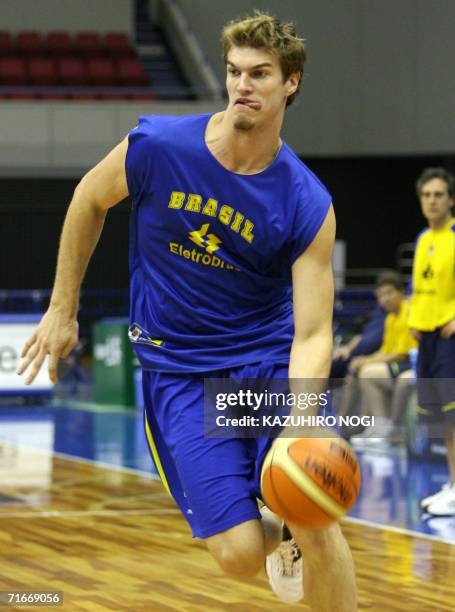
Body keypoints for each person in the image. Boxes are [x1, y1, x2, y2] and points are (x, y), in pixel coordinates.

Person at [18, 12, 357, 610]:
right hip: (178, 373)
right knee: (239, 558)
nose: (242, 85)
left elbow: (312, 332)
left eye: (260, 74)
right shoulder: (159, 147)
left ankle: (299, 529)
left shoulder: (305, 201)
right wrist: (62, 308)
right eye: (233, 72)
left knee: (315, 514)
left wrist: (304, 422)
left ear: (291, 84)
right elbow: (87, 199)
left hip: (265, 364)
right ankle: (277, 537)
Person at [408, 167, 455, 517]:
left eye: (438, 194)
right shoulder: (424, 238)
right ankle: (453, 486)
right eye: (427, 195)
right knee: (440, 421)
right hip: (425, 339)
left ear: (450, 199)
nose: (432, 200)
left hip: (448, 338)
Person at [338, 272, 417, 445]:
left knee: (368, 372)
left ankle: (384, 426)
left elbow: (402, 354)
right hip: (399, 364)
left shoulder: (409, 312)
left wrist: (367, 362)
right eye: (381, 295)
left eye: (389, 293)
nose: (385, 299)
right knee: (358, 369)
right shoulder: (390, 318)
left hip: (412, 363)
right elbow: (385, 350)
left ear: (401, 292)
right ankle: (371, 425)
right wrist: (364, 359)